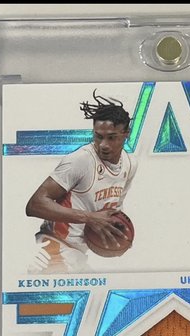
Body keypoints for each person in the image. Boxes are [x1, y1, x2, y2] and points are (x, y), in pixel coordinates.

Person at [26, 92, 137, 273]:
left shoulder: (130, 164)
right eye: (98, 136)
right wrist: (90, 218)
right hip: (53, 250)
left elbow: (114, 212)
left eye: (111, 137)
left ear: (126, 134)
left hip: (77, 255)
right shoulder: (81, 161)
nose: (103, 144)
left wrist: (120, 236)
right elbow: (35, 205)